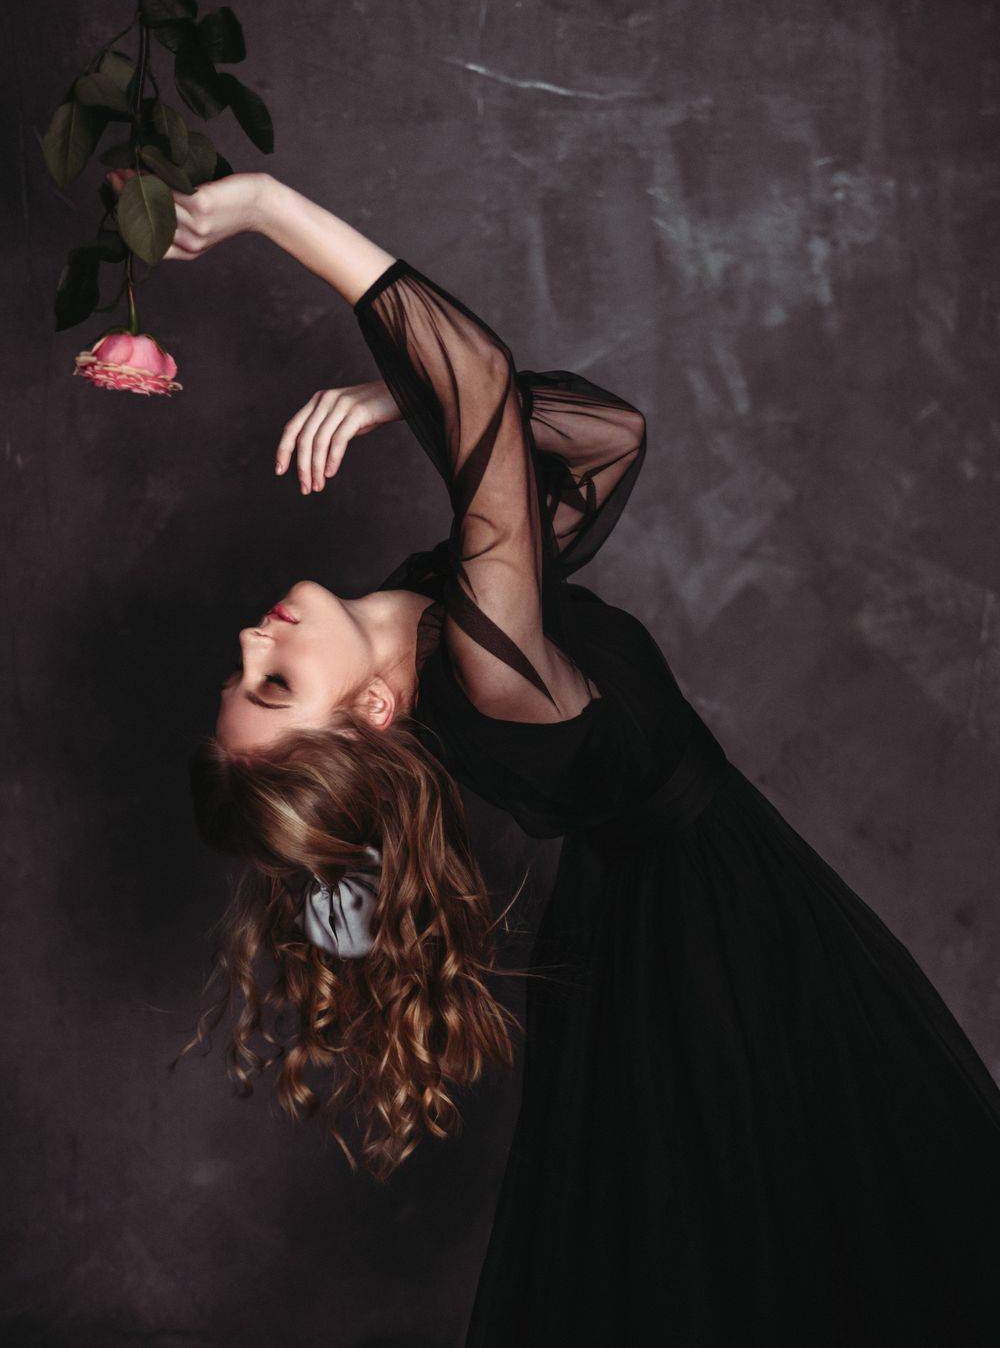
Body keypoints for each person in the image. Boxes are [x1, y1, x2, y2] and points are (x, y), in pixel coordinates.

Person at [120, 165, 1000, 1347]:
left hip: (678, 909)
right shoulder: (486, 666)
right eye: (274, 686)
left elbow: (602, 439)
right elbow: (484, 387)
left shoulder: (437, 610)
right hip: (719, 926)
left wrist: (405, 401)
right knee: (827, 1231)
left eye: (243, 679)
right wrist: (271, 209)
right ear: (373, 710)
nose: (247, 643)